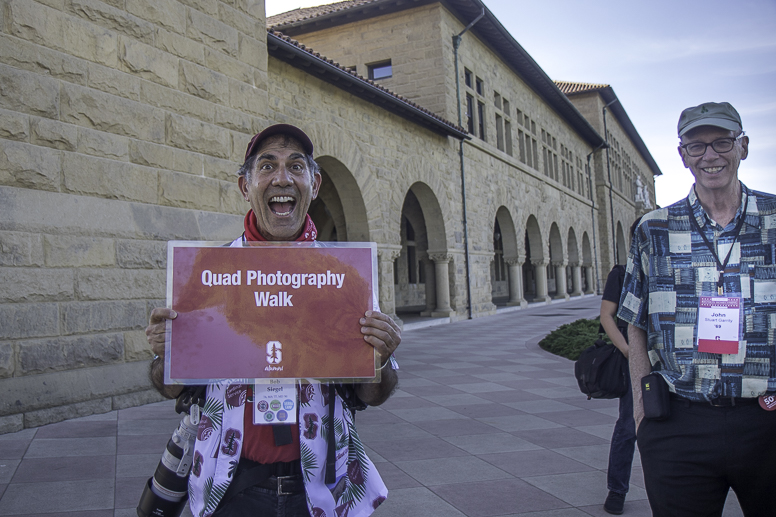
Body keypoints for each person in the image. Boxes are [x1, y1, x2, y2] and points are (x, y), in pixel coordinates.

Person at [145, 124, 401, 517]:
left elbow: (375, 394)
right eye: (267, 166)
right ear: (244, 186)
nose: (282, 177)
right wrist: (167, 353)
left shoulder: (345, 277)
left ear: (314, 184)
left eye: (295, 166)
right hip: (227, 485)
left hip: (322, 490)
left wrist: (380, 357)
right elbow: (171, 388)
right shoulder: (207, 274)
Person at [618, 102, 776, 516]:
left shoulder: (775, 219)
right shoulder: (654, 228)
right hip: (679, 423)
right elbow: (635, 321)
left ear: (743, 146)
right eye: (696, 146)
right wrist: (641, 410)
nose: (710, 156)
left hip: (767, 418)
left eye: (722, 142)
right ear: (682, 156)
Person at [598, 217, 640, 515]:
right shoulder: (622, 273)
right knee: (628, 425)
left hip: (672, 361)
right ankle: (617, 490)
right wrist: (628, 351)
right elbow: (606, 317)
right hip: (634, 360)